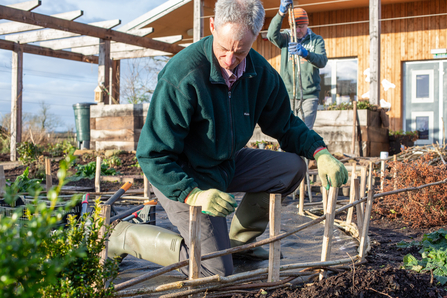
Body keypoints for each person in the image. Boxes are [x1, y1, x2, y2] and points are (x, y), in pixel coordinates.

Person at [108, 0, 347, 278]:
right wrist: (194, 195)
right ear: (212, 26)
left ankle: (239, 243)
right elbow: (153, 155)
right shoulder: (183, 75)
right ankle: (122, 235)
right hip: (184, 175)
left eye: (241, 52)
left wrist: (320, 152)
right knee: (214, 271)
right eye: (223, 49)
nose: (230, 61)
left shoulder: (260, 73)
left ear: (255, 37)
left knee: (291, 168)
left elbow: (285, 124)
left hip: (225, 164)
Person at [267, 1, 328, 130]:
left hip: (309, 96)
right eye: (295, 26)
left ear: (307, 24)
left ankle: (302, 151)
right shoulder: (286, 38)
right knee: (286, 129)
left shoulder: (316, 40)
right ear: (291, 26)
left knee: (304, 131)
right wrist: (280, 13)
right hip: (288, 95)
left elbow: (322, 61)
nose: (298, 30)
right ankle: (288, 151)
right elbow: (271, 35)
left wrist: (306, 54)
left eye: (302, 26)